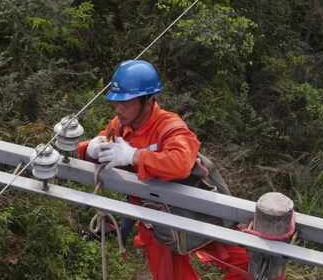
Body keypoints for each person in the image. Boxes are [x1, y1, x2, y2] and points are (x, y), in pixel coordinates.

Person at [77, 60, 249, 280]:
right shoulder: (120, 126)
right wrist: (90, 148)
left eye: (126, 103)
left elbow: (180, 163)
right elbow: (99, 145)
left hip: (199, 212)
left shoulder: (170, 127)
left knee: (245, 265)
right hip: (157, 220)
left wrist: (134, 156)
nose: (118, 109)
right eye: (115, 103)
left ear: (148, 100)